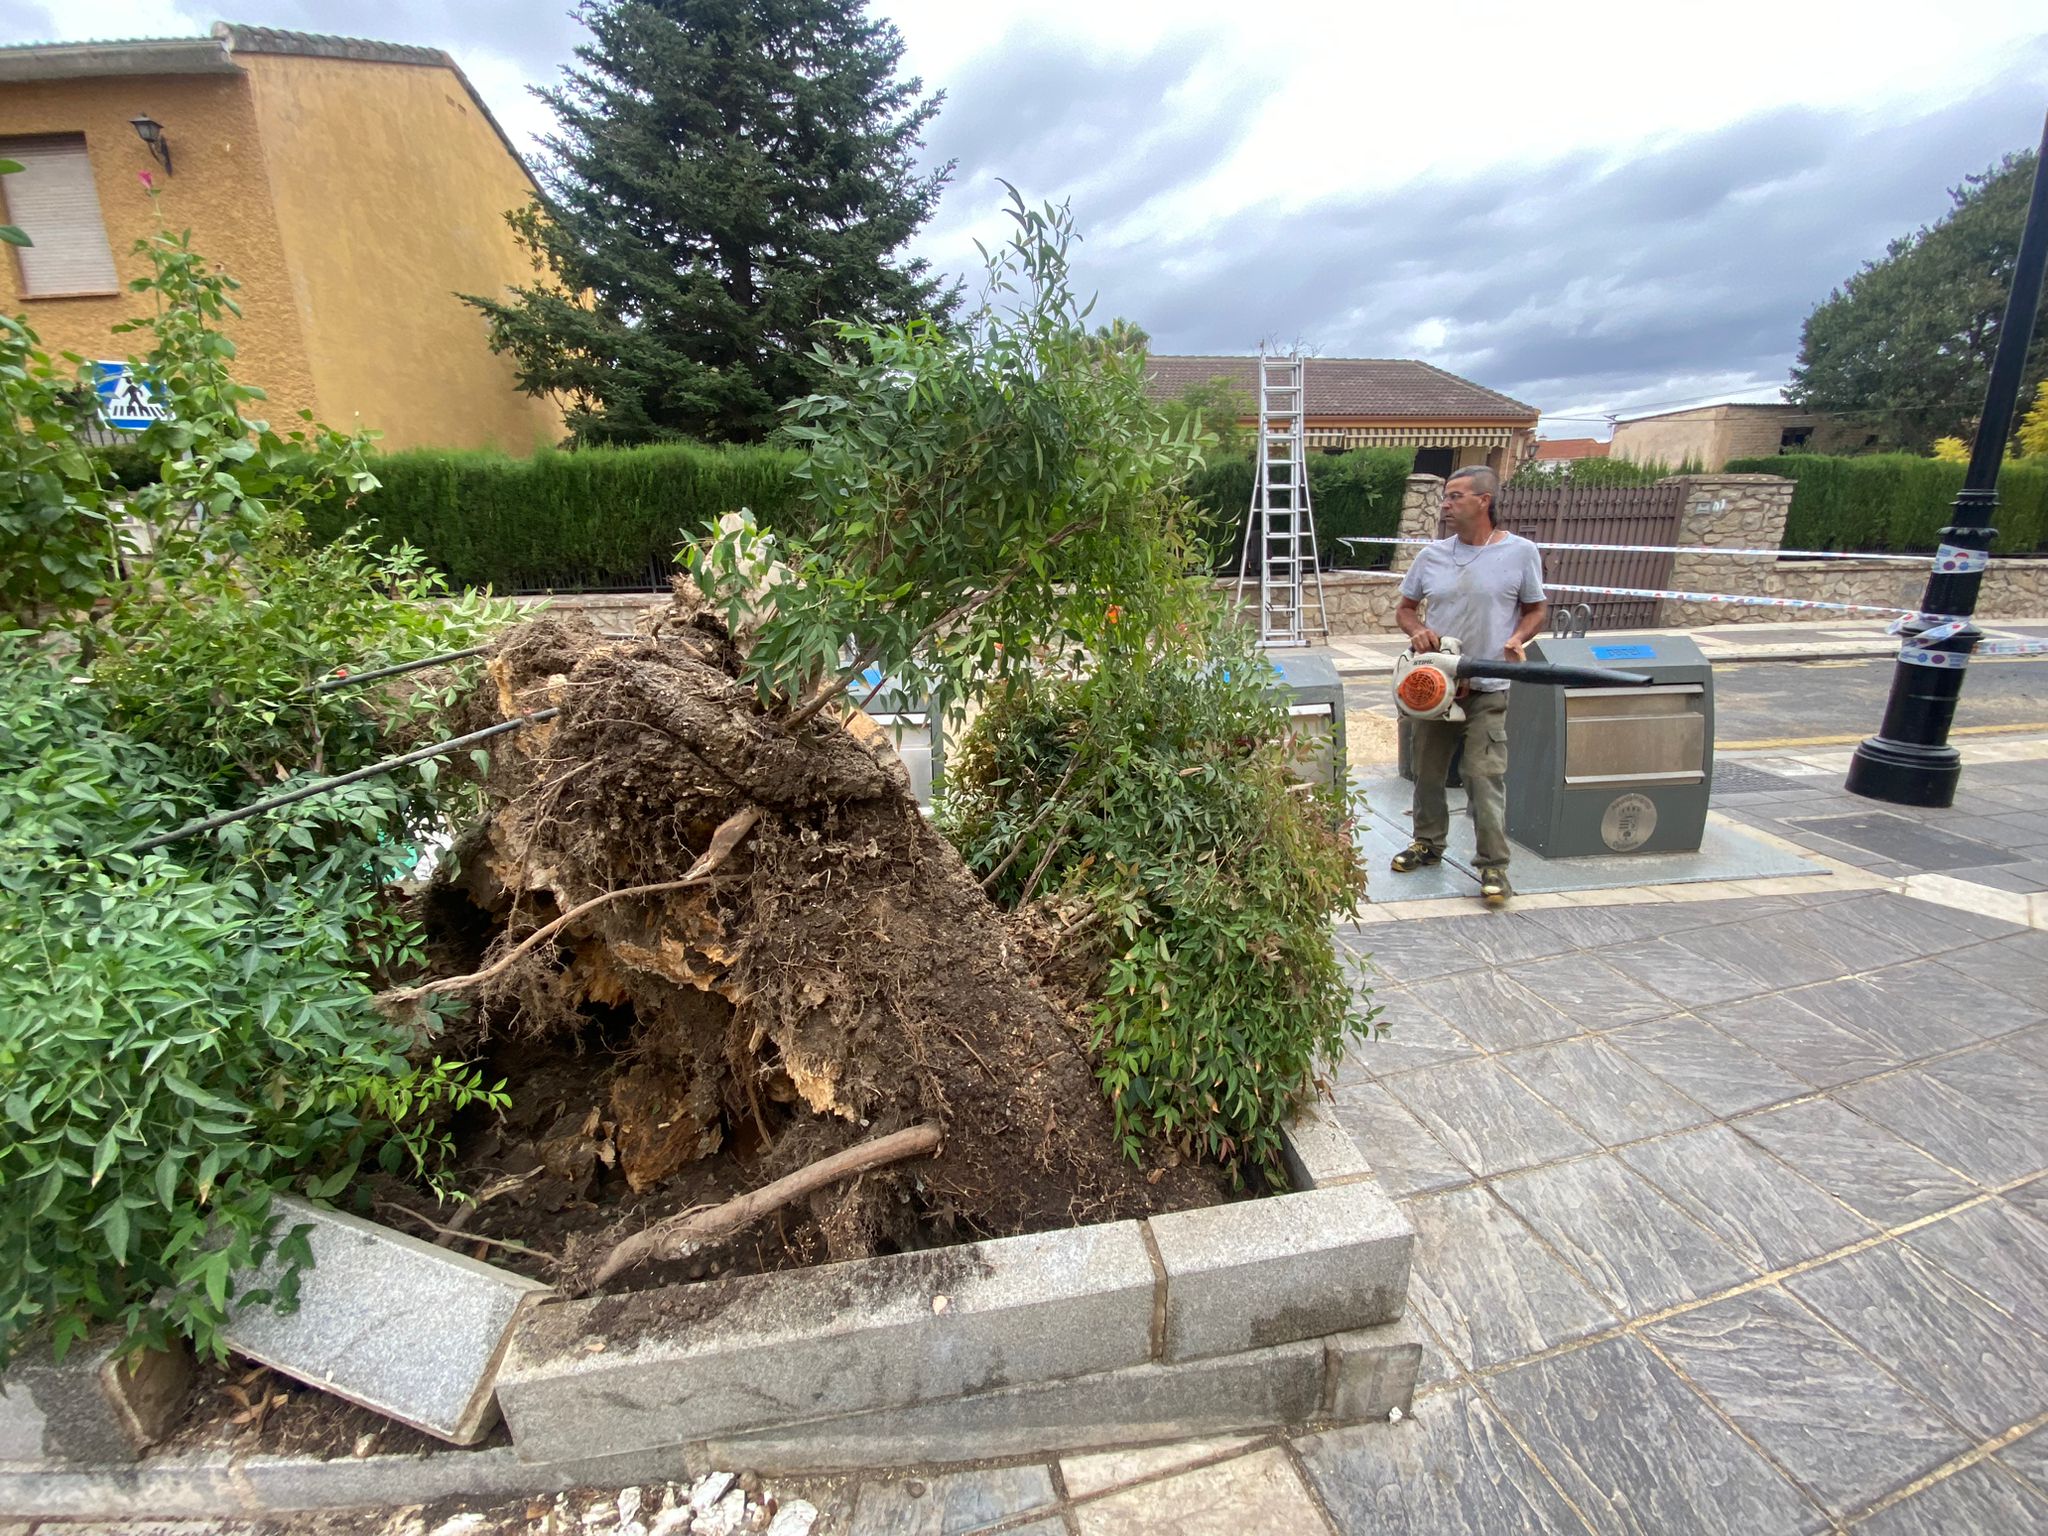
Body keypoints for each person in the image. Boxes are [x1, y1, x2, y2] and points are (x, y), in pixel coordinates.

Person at [1390, 466, 1547, 906]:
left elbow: (1536, 609)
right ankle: (1427, 844)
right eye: (1445, 496)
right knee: (1427, 772)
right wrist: (1416, 629)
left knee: (1482, 776)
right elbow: (1405, 608)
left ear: (1485, 500)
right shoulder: (1432, 556)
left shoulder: (1520, 553)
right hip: (1435, 685)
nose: (1446, 504)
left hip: (1490, 684)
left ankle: (1494, 867)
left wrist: (1518, 638)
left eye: (1456, 496)